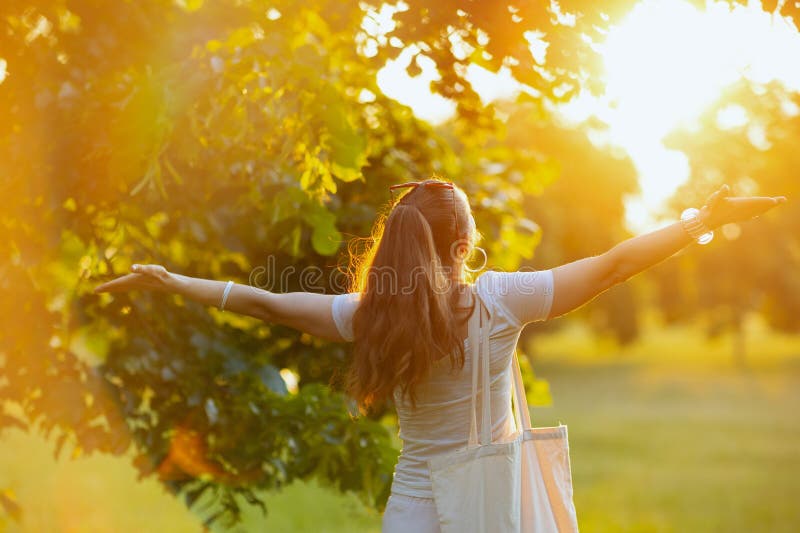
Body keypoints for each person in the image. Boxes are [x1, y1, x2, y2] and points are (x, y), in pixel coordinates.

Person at [94, 179, 786, 532]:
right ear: (461, 247)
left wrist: (172, 280)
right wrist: (703, 220)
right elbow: (611, 266)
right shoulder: (501, 301)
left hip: (415, 508)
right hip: (492, 507)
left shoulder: (371, 316)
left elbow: (267, 303)